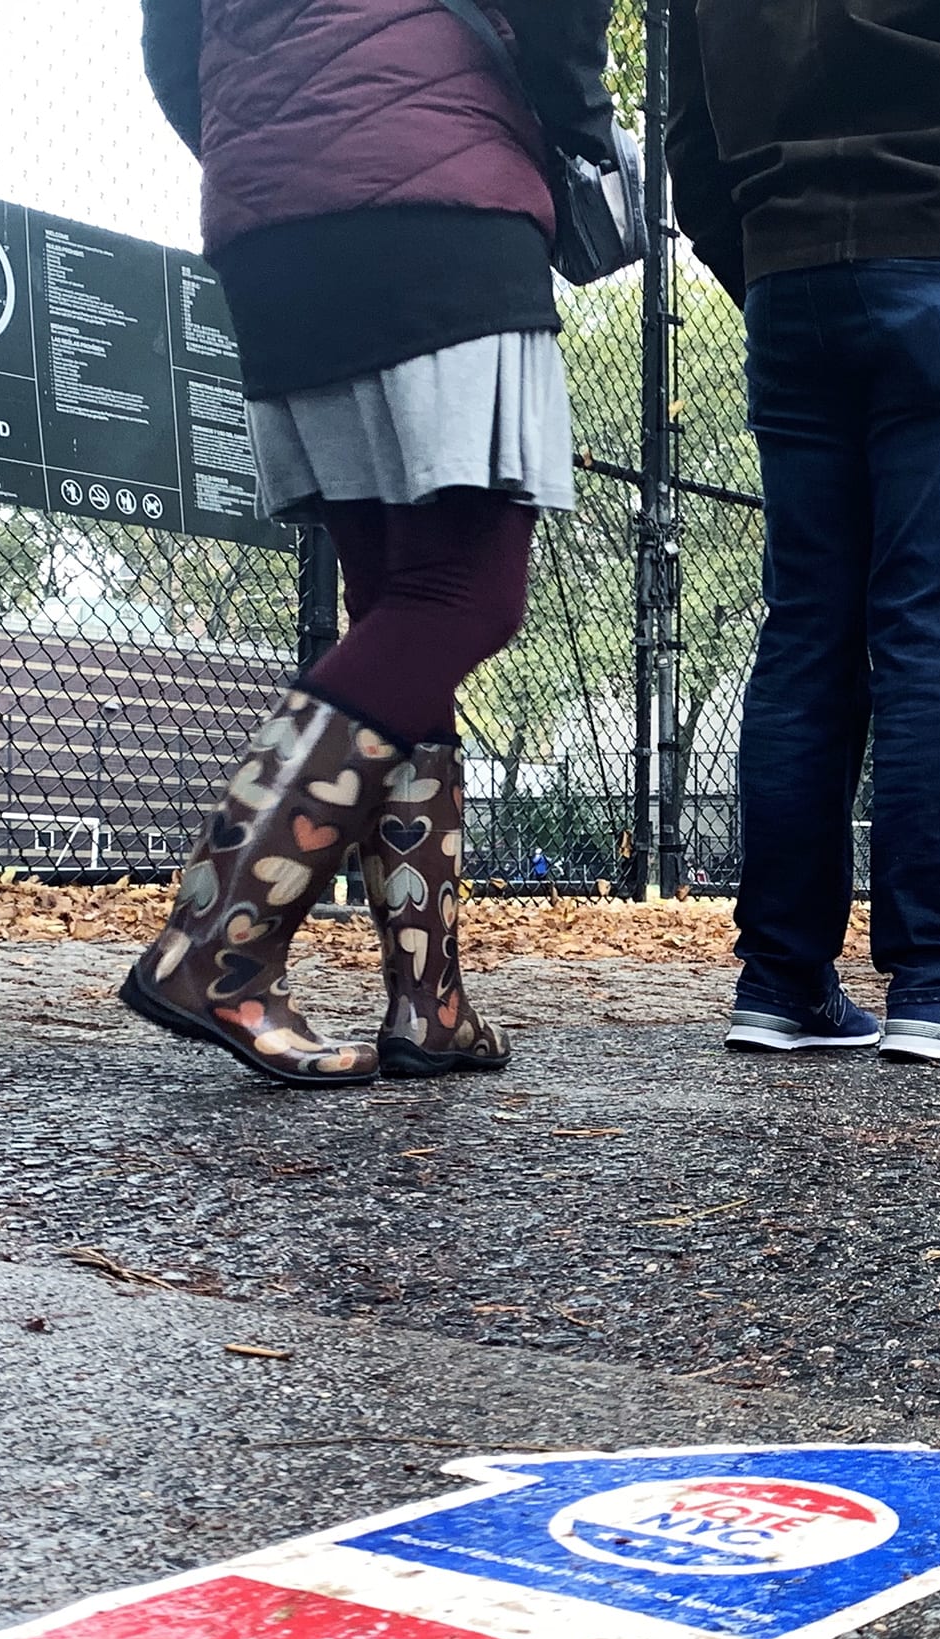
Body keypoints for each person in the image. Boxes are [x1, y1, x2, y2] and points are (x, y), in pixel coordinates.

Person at [129, 0, 614, 1087]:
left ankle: (429, 1005)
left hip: (273, 221)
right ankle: (215, 948)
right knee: (461, 595)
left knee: (397, 610)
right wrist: (576, 122)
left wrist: (281, 146)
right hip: (440, 191)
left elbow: (172, 52)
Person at [666, 0, 940, 1062]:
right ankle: (933, 980)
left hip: (793, 272)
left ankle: (782, 979)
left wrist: (768, 260)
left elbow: (691, 129)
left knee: (806, 633)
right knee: (932, 630)